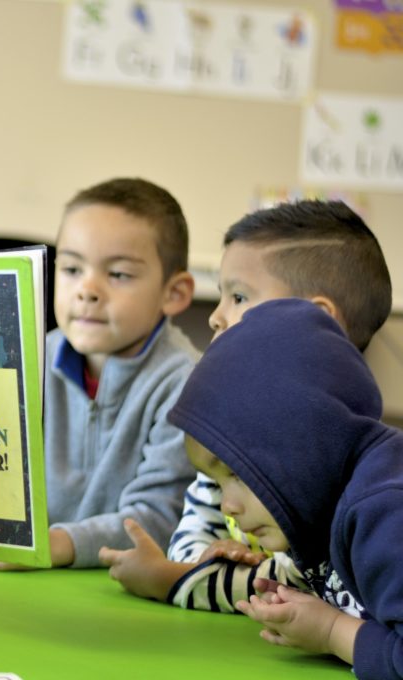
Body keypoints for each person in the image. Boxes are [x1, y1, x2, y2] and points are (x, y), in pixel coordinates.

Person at [98, 200, 392, 612]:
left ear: (315, 318)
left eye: (238, 296)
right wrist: (202, 559)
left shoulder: (347, 462)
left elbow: (319, 588)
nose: (217, 317)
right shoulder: (228, 440)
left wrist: (176, 579)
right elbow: (190, 539)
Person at [167, 298, 402, 679]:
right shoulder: (322, 504)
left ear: (301, 444)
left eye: (238, 474)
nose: (227, 505)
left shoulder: (384, 513)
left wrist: (332, 632)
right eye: (217, 482)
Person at [0, 177, 198, 570]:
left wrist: (55, 545)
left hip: (118, 592)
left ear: (174, 293)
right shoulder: (25, 359)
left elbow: (158, 519)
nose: (87, 290)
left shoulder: (186, 385)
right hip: (14, 579)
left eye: (118, 274)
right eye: (71, 268)